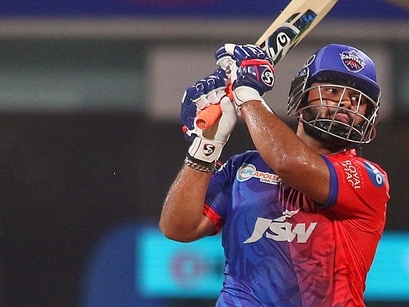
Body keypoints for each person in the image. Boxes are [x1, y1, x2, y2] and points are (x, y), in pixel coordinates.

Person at [159, 43, 390, 307]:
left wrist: (247, 94)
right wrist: (206, 146)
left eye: (358, 100)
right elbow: (178, 228)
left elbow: (287, 162)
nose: (346, 104)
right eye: (333, 91)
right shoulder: (243, 167)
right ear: (302, 96)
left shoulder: (367, 179)